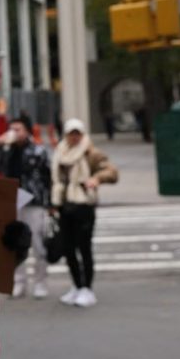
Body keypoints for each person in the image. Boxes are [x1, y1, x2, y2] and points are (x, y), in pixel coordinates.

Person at [52, 119, 118, 308]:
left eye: (77, 133)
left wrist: (96, 179)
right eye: (71, 133)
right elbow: (55, 178)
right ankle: (76, 285)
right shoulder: (60, 152)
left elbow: (112, 172)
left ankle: (87, 288)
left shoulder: (91, 152)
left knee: (84, 248)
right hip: (64, 205)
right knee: (68, 249)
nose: (74, 137)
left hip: (83, 205)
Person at [0, 116, 52, 299]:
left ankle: (40, 282)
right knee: (14, 244)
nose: (14, 133)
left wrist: (49, 203)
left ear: (27, 131)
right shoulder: (7, 149)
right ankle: (19, 282)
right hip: (12, 201)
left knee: (37, 244)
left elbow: (48, 177)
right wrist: (0, 146)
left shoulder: (38, 151)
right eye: (12, 129)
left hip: (33, 202)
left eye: (18, 129)